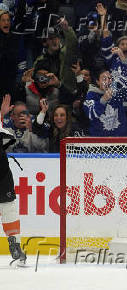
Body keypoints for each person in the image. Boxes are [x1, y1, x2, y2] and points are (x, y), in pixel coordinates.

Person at [0, 110, 27, 265]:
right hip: (2, 173)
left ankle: (15, 244)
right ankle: (15, 243)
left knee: (8, 207)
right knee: (8, 207)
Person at [83, 65, 127, 137]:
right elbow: (90, 114)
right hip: (100, 141)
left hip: (120, 139)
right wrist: (103, 100)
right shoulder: (91, 95)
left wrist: (123, 59)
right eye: (104, 79)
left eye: (110, 78)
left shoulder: (117, 92)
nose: (108, 81)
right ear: (97, 82)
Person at [33, 18, 79, 95]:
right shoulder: (40, 60)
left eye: (56, 37)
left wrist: (67, 29)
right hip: (51, 97)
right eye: (51, 38)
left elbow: (73, 44)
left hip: (69, 94)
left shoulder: (66, 53)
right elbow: (36, 80)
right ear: (44, 42)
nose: (55, 41)